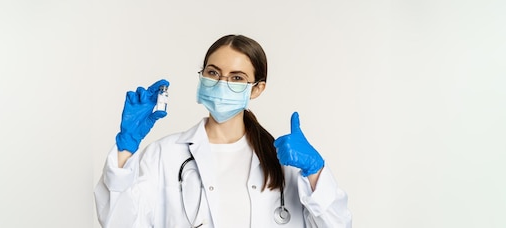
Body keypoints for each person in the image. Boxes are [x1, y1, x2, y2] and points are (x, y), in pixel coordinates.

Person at [94, 34, 352, 228]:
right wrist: (126, 149)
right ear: (202, 76)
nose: (221, 84)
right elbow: (119, 222)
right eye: (213, 72)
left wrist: (316, 171)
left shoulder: (286, 160)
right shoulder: (163, 156)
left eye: (237, 77)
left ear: (257, 89)